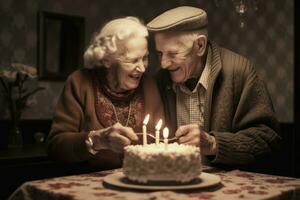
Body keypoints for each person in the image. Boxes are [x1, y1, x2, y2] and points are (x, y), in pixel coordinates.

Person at [147, 6, 281, 170]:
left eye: (173, 54)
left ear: (200, 46)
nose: (163, 64)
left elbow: (268, 140)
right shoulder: (160, 80)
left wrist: (213, 143)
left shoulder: (239, 71)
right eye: (160, 53)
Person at [47, 17, 164, 170]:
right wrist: (98, 140)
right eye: (133, 60)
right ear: (107, 60)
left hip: (141, 181)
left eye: (145, 58)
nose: (142, 68)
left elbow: (160, 141)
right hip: (88, 186)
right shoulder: (80, 82)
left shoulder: (149, 86)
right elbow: (56, 147)